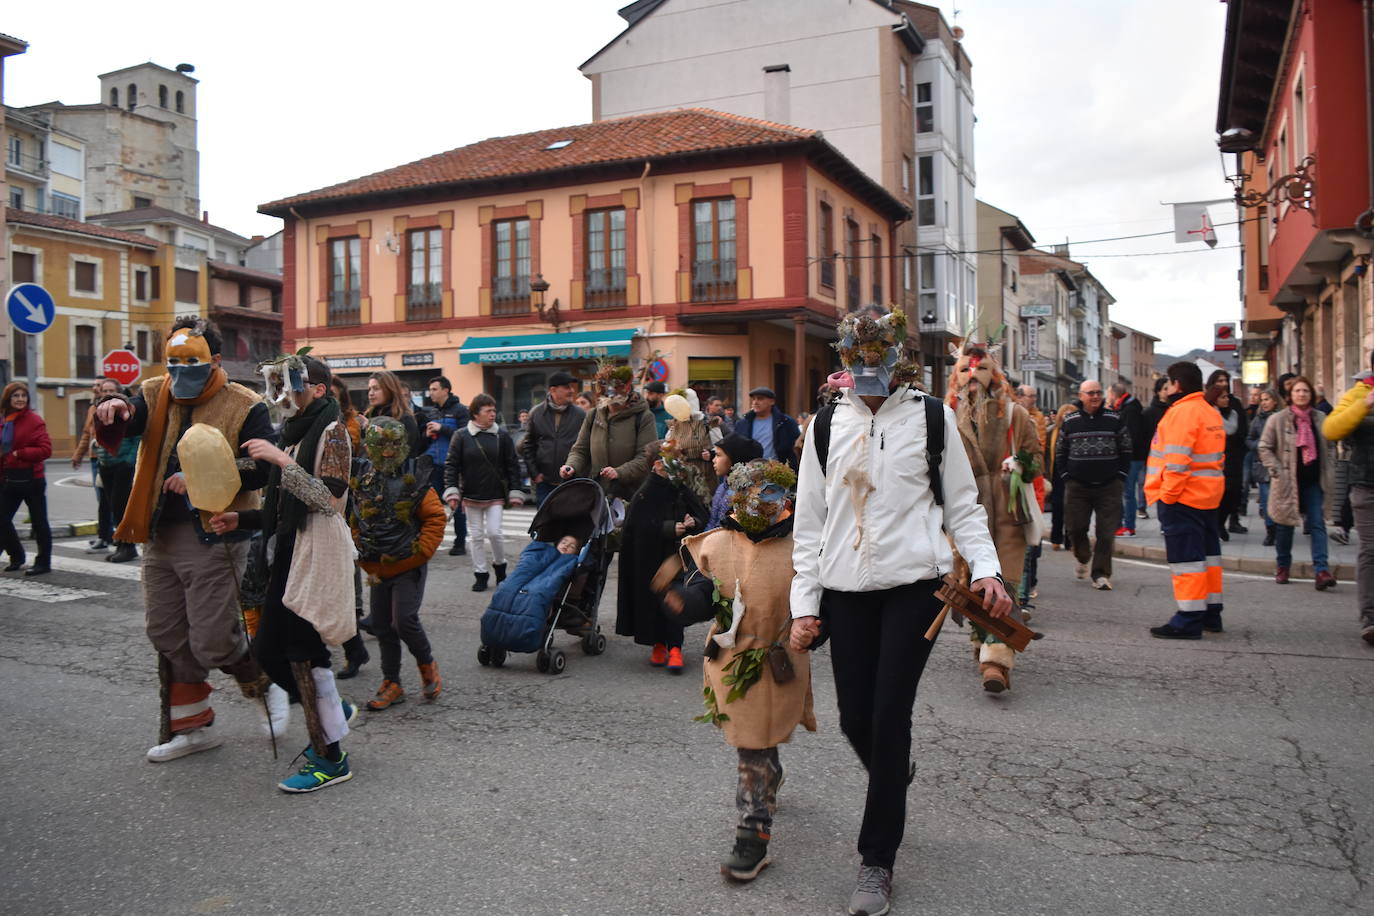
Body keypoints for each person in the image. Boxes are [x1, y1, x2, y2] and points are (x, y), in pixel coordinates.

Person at [789, 305, 1011, 916]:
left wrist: (987, 569)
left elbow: (963, 507)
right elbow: (809, 523)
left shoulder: (933, 419)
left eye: (878, 355)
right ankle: (894, 775)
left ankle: (875, 860)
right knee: (855, 720)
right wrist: (803, 603)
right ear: (845, 359)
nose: (869, 368)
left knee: (889, 717)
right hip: (844, 589)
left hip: (916, 584)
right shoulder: (825, 425)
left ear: (898, 358)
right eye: (858, 357)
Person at [92, 317, 275, 761]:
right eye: (171, 363)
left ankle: (266, 683)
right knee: (166, 632)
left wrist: (199, 474)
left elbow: (266, 466)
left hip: (216, 532)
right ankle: (195, 725)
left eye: (189, 363)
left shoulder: (245, 404)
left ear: (214, 360)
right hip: (158, 533)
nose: (178, 373)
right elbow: (130, 414)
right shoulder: (156, 392)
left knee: (212, 640)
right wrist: (113, 405)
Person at [207, 354, 359, 792]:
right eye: (280, 385)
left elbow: (328, 502)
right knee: (274, 652)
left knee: (301, 654)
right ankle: (331, 718)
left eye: (292, 385)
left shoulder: (333, 432)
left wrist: (280, 460)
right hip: (288, 554)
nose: (284, 395)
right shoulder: (293, 431)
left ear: (319, 390)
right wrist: (244, 520)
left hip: (314, 557)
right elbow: (279, 506)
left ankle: (330, 757)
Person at [660, 458, 815, 882]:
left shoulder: (804, 545)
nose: (770, 501)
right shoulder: (718, 543)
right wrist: (683, 603)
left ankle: (753, 830)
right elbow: (704, 590)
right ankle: (759, 812)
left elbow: (820, 598)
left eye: (777, 493)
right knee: (752, 741)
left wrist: (814, 628)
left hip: (781, 657)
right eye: (760, 492)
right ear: (738, 496)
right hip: (733, 660)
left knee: (757, 741)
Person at [946, 344, 1041, 691]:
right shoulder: (946, 415)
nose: (973, 376)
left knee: (1006, 583)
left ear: (994, 373)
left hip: (1007, 512)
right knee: (971, 580)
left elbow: (1036, 460)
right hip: (965, 514)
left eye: (981, 369)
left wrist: (1021, 466)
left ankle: (997, 659)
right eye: (965, 370)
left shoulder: (1015, 414)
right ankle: (982, 641)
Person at [351, 417, 447, 709]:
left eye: (394, 444)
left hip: (408, 564)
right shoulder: (365, 476)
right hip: (377, 566)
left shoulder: (413, 476)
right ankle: (392, 683)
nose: (388, 452)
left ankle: (427, 666)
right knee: (381, 624)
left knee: (403, 621)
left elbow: (435, 516)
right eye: (381, 445)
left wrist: (422, 551)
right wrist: (359, 542)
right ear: (371, 447)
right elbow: (355, 514)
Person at [1145, 361, 1226, 640]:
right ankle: (1211, 613)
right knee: (1209, 558)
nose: (1166, 388)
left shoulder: (1182, 413)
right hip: (1207, 495)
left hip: (1183, 497)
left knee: (1186, 561)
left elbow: (1177, 463)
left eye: (1168, 383)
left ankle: (1188, 619)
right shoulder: (1209, 410)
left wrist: (1166, 497)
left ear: (1176, 384)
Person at [616, 442, 709, 671]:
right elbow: (636, 527)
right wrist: (668, 528)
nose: (679, 466)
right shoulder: (645, 492)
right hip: (650, 560)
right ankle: (657, 645)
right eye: (673, 461)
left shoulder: (679, 486)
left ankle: (675, 648)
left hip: (676, 559)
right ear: (658, 464)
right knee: (652, 605)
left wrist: (692, 522)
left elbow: (700, 513)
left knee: (675, 601)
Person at [1258, 377, 1336, 589]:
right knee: (1285, 525)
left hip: (1313, 480)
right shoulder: (1278, 419)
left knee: (1317, 524)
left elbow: (1330, 445)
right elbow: (1264, 446)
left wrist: (1329, 464)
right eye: (1298, 391)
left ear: (1311, 395)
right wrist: (1276, 469)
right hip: (1287, 482)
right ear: (1290, 395)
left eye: (1305, 391)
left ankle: (1322, 570)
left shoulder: (1320, 418)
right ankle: (1283, 566)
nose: (1302, 395)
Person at [444, 393, 523, 592]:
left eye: (494, 410)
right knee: (476, 536)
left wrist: (515, 489)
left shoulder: (502, 435)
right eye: (488, 410)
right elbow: (452, 465)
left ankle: (500, 568)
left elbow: (512, 464)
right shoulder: (461, 435)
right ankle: (480, 574)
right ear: (475, 413)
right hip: (470, 494)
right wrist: (452, 491)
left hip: (495, 493)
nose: (492, 414)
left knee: (495, 533)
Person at [1058, 379, 1131, 591]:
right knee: (1076, 528)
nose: (1095, 396)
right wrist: (1066, 477)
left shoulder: (1114, 419)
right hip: (1077, 487)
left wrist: (1120, 477)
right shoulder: (1070, 421)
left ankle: (1101, 574)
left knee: (1106, 534)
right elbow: (1061, 451)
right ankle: (1082, 555)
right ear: (1081, 396)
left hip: (1109, 486)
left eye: (1099, 392)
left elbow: (1126, 449)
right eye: (1090, 393)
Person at [1321, 354, 1374, 643]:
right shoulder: (1359, 394)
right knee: (1371, 550)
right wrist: (1365, 404)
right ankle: (1370, 617)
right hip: (1368, 485)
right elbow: (1331, 429)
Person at [560, 363, 658, 504]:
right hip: (596, 492)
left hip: (630, 494)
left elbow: (646, 457)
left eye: (616, 387)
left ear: (627, 388)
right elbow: (580, 450)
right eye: (605, 389)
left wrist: (620, 472)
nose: (610, 393)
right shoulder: (593, 415)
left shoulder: (643, 417)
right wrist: (571, 466)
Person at [0, 382, 54, 576]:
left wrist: (19, 454)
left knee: (39, 522)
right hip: (8, 478)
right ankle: (16, 556)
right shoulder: (4, 420)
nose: (20, 399)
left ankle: (43, 562)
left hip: (32, 479)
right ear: (8, 398)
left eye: (23, 396)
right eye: (16, 396)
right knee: (2, 519)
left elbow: (45, 450)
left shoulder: (34, 420)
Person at [522, 370, 586, 508]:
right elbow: (528, 445)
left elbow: (585, 447)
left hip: (571, 481)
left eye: (571, 387)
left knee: (568, 524)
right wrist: (535, 475)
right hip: (544, 482)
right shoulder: (537, 413)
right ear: (553, 390)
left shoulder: (581, 415)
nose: (571, 391)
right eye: (566, 387)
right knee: (544, 525)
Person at [422, 376, 471, 555]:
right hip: (434, 466)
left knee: (455, 504)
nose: (431, 393)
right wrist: (426, 434)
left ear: (445, 390)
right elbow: (423, 440)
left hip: (453, 466)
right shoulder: (432, 412)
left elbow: (465, 436)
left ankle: (460, 542)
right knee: (430, 505)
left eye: (434, 389)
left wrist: (442, 429)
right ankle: (431, 541)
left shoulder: (460, 410)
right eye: (430, 389)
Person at [72, 378, 118, 551]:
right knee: (102, 499)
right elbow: (86, 434)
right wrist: (78, 455)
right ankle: (105, 535)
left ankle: (115, 535)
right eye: (101, 388)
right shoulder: (94, 408)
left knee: (114, 500)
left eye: (106, 389)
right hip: (96, 458)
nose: (99, 390)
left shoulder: (121, 408)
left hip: (115, 460)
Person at [93, 399, 140, 564]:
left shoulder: (128, 416)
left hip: (123, 467)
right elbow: (100, 438)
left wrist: (128, 462)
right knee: (113, 507)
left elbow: (136, 440)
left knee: (121, 507)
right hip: (107, 466)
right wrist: (100, 458)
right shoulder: (100, 414)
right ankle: (121, 545)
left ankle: (128, 547)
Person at [1208, 370, 1249, 540]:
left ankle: (1229, 520)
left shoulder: (1235, 406)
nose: (1223, 383)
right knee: (1221, 493)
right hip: (1216, 458)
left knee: (1233, 492)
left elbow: (1242, 429)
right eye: (1219, 380)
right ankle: (1217, 525)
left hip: (1234, 456)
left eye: (1225, 380)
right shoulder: (1208, 409)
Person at [705, 434, 764, 531]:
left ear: (735, 458)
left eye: (718, 455)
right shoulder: (722, 487)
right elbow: (712, 522)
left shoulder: (747, 493)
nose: (713, 460)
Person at [1110, 381, 1146, 537]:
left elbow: (1130, 435)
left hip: (1132, 457)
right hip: (1134, 456)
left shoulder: (1129, 409)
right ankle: (1126, 524)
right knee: (1127, 492)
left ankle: (1128, 526)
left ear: (1114, 395)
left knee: (1127, 492)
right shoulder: (1128, 407)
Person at [733, 387, 801, 469]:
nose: (755, 402)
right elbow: (736, 448)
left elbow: (796, 445)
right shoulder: (742, 424)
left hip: (779, 472)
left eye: (760, 399)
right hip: (750, 472)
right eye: (753, 399)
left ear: (772, 401)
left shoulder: (786, 422)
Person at [1248, 388, 1280, 546]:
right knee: (1266, 499)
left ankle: (1281, 528)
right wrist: (1259, 445)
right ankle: (1270, 530)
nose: (1264, 403)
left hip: (1280, 464)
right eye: (1262, 400)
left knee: (1279, 500)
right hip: (1262, 465)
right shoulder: (1257, 420)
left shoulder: (1282, 417)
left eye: (1267, 399)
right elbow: (1249, 439)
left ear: (1275, 400)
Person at [365, 370, 422, 456]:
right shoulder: (367, 417)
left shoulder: (404, 418)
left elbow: (406, 453)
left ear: (389, 389)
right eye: (369, 389)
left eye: (376, 389)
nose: (371, 393)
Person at [1139, 376, 1172, 521]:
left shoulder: (1175, 409)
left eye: (1169, 388)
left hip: (1172, 455)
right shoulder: (1149, 412)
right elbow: (1144, 435)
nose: (1168, 392)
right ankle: (1142, 506)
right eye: (1165, 389)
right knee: (1151, 484)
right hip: (1154, 456)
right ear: (1158, 392)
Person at [1046, 402, 1075, 550]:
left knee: (1072, 509)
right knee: (1057, 509)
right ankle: (1056, 538)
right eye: (1065, 413)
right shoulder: (1052, 432)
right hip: (1056, 474)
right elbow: (1046, 455)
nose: (1067, 416)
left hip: (1073, 475)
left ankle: (1070, 540)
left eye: (1070, 413)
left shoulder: (1077, 431)